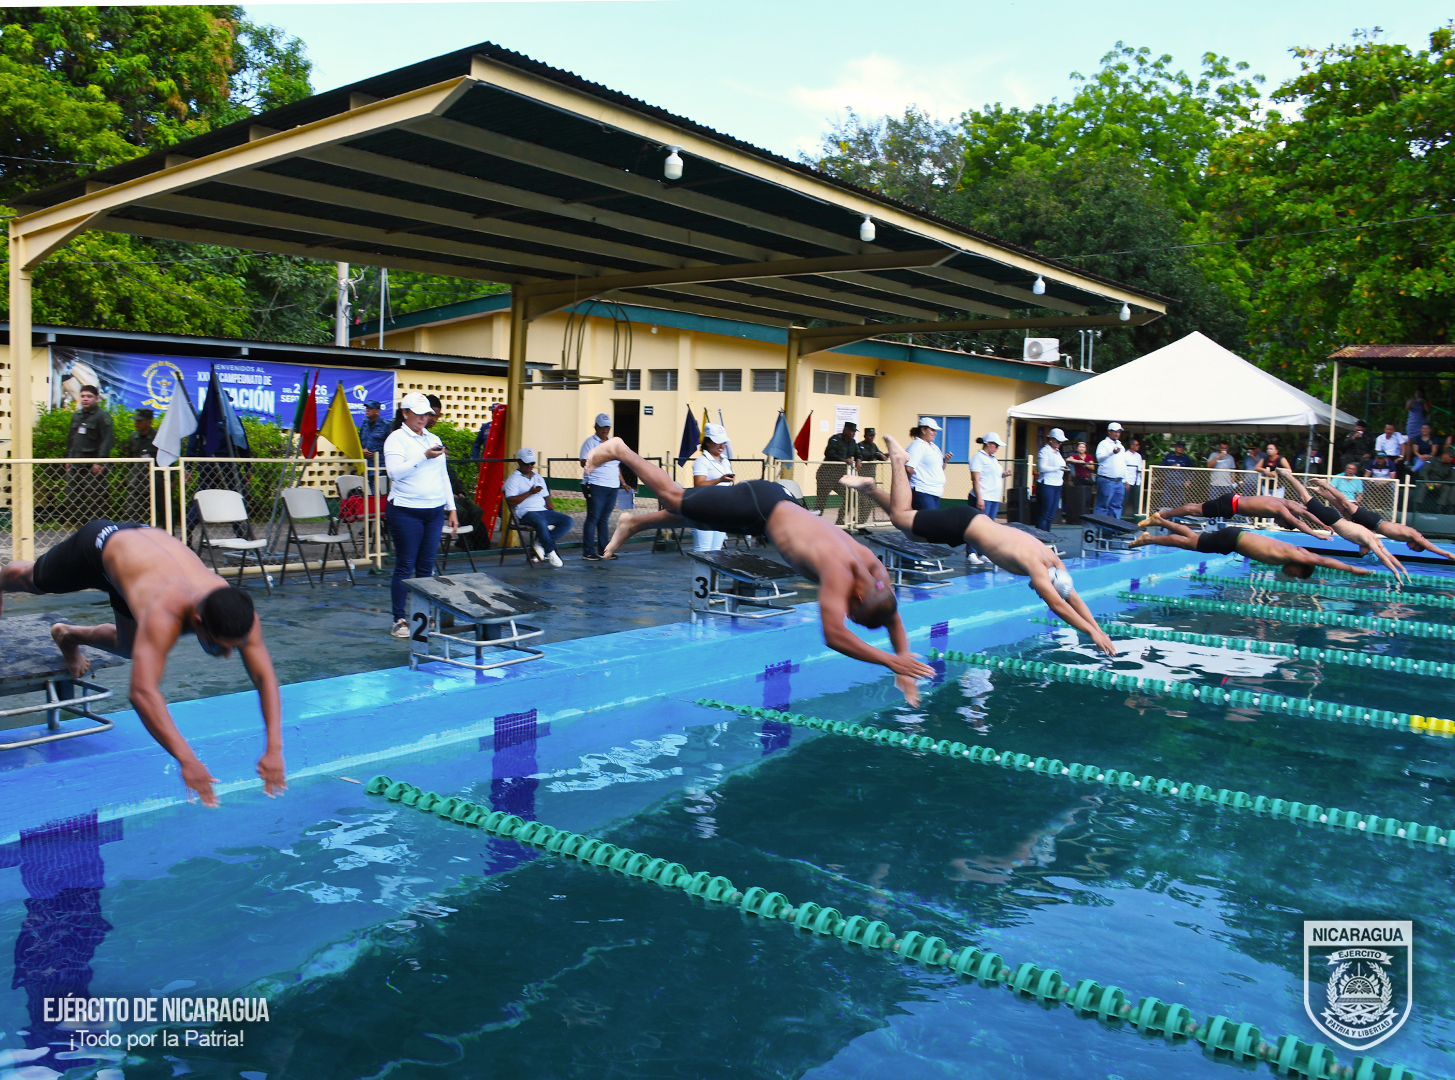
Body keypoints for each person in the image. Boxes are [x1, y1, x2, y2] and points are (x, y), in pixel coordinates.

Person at [584, 437, 934, 704]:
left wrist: (905, 659)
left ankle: (635, 523)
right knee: (676, 498)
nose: (847, 612)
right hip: (761, 504)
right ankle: (621, 450)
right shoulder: (838, 573)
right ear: (857, 596)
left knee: (702, 511)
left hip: (771, 514)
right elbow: (834, 635)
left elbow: (891, 616)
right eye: (852, 611)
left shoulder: (876, 577)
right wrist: (891, 662)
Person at [0, 522, 285, 807]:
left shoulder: (240, 615)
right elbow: (142, 693)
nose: (226, 655)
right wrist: (187, 759)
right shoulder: (165, 613)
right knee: (33, 580)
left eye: (233, 648)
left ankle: (67, 634)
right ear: (198, 623)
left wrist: (274, 748)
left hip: (139, 570)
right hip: (99, 548)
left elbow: (265, 678)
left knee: (127, 648)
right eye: (219, 646)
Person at [840, 437, 1116, 655]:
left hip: (969, 527)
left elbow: (1073, 597)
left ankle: (870, 489)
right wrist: (1090, 633)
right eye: (1043, 591)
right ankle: (898, 460)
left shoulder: (1054, 561)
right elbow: (1059, 604)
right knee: (902, 517)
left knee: (912, 530)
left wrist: (1098, 628)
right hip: (962, 523)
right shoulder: (1038, 568)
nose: (1039, 592)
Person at [383, 392, 457, 637]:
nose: (423, 418)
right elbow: (395, 473)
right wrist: (423, 457)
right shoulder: (396, 439)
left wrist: (451, 508)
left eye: (426, 414)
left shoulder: (433, 438)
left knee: (426, 567)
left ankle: (422, 617)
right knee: (405, 565)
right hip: (406, 510)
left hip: (434, 511)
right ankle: (399, 619)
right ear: (405, 413)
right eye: (418, 413)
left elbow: (443, 476)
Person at [1131, 512, 1372, 578]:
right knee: (1192, 544)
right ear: (1301, 567)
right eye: (1297, 576)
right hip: (1234, 539)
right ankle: (1151, 536)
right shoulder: (1301, 557)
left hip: (1235, 541)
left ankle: (1160, 521)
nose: (1292, 577)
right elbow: (1324, 561)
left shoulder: (1295, 553)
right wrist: (1354, 569)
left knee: (1194, 541)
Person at [1274, 468, 1409, 579]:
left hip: (1335, 518)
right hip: (1332, 519)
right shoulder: (1370, 541)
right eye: (1362, 554)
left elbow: (1389, 556)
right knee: (1305, 498)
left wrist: (1402, 569)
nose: (1360, 552)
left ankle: (1323, 491)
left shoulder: (1375, 540)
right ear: (1369, 551)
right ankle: (1288, 475)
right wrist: (1395, 572)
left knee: (1310, 506)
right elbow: (1382, 557)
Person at [1310, 473, 1455, 563]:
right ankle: (1324, 484)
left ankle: (1322, 492)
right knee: (1346, 504)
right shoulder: (1415, 535)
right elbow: (1431, 547)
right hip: (1374, 521)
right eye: (1414, 549)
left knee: (1343, 509)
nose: (1410, 549)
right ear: (1418, 544)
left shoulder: (1410, 537)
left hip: (1372, 525)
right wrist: (1447, 554)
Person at [1143, 491, 1329, 539]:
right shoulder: (1281, 510)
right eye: (1283, 524)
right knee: (1194, 510)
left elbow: (1305, 512)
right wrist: (1316, 533)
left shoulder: (1287, 503)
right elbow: (1299, 520)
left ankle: (1164, 514)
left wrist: (1324, 524)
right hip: (1230, 505)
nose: (1279, 524)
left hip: (1234, 501)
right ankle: (1164, 515)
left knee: (1196, 508)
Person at [504, 448, 572, 568]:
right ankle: (550, 551)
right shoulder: (514, 479)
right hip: (525, 512)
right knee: (541, 522)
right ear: (519, 462)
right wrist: (530, 493)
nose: (530, 466)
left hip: (542, 510)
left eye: (532, 463)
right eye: (526, 463)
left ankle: (540, 543)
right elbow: (511, 500)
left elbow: (546, 494)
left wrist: (549, 503)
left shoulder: (538, 477)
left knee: (568, 521)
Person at [579, 413, 628, 561]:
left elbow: (617, 466)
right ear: (596, 427)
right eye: (602, 427)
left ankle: (603, 550)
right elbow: (583, 462)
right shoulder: (590, 442)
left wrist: (623, 483)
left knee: (604, 519)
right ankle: (588, 551)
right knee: (593, 518)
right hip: (596, 484)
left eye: (607, 427)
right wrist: (603, 457)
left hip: (612, 485)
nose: (605, 430)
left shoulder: (613, 443)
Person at [64, 385, 115, 524]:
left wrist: (100, 462)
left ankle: (100, 528)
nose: (85, 399)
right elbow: (71, 439)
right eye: (83, 396)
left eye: (89, 396)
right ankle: (84, 525)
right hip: (76, 464)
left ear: (96, 398)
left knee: (96, 499)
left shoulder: (102, 417)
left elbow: (107, 440)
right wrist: (68, 458)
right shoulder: (77, 415)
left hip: (92, 467)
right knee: (71, 496)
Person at [689, 423, 736, 552]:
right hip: (704, 508)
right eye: (718, 442)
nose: (721, 446)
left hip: (722, 509)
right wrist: (719, 480)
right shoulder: (702, 461)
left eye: (724, 442)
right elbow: (698, 484)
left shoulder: (725, 460)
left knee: (717, 550)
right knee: (703, 550)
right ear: (708, 442)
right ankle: (700, 573)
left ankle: (712, 573)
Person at [817, 421, 861, 523]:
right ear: (845, 430)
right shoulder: (835, 439)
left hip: (839, 478)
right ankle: (814, 522)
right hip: (826, 476)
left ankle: (840, 520)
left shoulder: (853, 443)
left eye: (854, 431)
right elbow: (829, 452)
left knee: (850, 496)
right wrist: (844, 460)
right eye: (851, 431)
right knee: (821, 501)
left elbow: (858, 453)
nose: (853, 433)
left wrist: (859, 460)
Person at [124, 407, 160, 522]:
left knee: (164, 514)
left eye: (140, 420)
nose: (136, 423)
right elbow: (131, 459)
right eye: (135, 420)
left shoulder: (158, 438)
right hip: (137, 482)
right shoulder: (133, 437)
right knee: (131, 513)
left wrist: (171, 479)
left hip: (156, 482)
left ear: (149, 421)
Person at [906, 418, 949, 510]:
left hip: (935, 492)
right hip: (923, 491)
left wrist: (945, 461)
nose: (935, 433)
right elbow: (909, 468)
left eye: (935, 430)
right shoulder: (917, 446)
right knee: (929, 522)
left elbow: (938, 468)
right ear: (923, 430)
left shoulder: (933, 447)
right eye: (932, 430)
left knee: (930, 521)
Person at [1035, 428, 1067, 531]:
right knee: (1044, 514)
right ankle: (1041, 538)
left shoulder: (1057, 452)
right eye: (1058, 441)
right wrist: (1058, 468)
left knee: (1050, 515)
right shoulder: (1045, 451)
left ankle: (1046, 537)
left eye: (1061, 442)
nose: (1060, 443)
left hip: (1057, 484)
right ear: (1051, 439)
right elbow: (1041, 468)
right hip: (1047, 484)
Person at [969, 432, 1007, 519]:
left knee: (990, 525)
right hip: (984, 497)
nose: (997, 448)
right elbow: (975, 479)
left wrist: (1003, 474)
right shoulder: (978, 457)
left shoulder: (993, 459)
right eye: (996, 445)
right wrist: (979, 498)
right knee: (981, 526)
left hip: (994, 497)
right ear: (988, 443)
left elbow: (991, 475)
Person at [1093, 422, 1127, 517]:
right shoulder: (1103, 444)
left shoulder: (1120, 445)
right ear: (1109, 432)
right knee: (1103, 505)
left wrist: (1125, 479)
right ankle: (1098, 530)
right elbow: (1099, 458)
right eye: (1114, 431)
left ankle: (1112, 530)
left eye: (1118, 432)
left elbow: (1123, 463)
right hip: (1106, 479)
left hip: (1119, 480)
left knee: (1116, 506)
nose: (1117, 434)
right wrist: (1111, 452)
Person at [357, 399, 391, 493]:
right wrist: (362, 450)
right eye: (367, 408)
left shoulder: (386, 425)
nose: (367, 410)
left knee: (377, 494)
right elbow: (358, 442)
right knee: (366, 494)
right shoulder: (364, 425)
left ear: (377, 411)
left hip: (380, 467)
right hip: (366, 467)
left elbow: (392, 444)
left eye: (370, 408)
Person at [1159, 440, 1193, 509]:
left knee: (1178, 501)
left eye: (1182, 447)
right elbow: (1160, 468)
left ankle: (1175, 518)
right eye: (1179, 446)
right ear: (1176, 447)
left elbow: (1192, 470)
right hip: (1169, 481)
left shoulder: (1186, 458)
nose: (1181, 448)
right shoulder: (1168, 456)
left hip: (1180, 482)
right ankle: (1163, 515)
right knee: (1165, 499)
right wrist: (1170, 467)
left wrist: (1189, 480)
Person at [1122, 438, 1145, 521]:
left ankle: (1135, 517)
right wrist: (1126, 480)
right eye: (1136, 445)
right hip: (1127, 480)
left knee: (1137, 501)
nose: (1138, 446)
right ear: (1132, 446)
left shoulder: (1138, 456)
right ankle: (1122, 517)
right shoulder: (1125, 455)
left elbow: (1140, 468)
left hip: (1137, 480)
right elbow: (1123, 468)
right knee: (1124, 500)